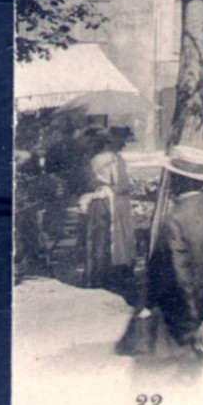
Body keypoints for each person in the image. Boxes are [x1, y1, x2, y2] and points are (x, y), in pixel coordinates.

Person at [121, 145, 203, 386]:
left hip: (169, 334)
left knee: (153, 400)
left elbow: (178, 277)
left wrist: (191, 326)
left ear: (174, 179)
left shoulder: (175, 220)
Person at [81, 127, 137, 300]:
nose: (123, 145)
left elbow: (90, 181)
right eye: (121, 142)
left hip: (99, 200)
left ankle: (99, 274)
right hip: (113, 200)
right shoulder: (113, 159)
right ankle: (116, 273)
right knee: (116, 237)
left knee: (100, 238)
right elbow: (118, 183)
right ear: (112, 141)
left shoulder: (94, 159)